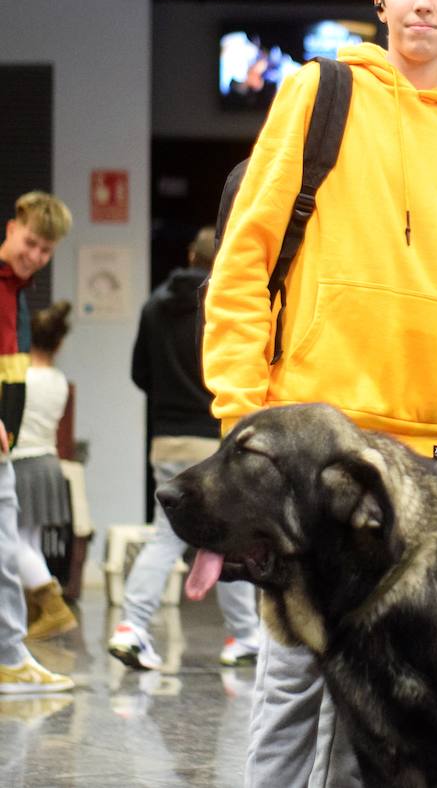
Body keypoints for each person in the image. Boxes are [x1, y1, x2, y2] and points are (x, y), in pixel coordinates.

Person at [202, 0, 437, 787]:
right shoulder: (319, 92)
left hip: (419, 465)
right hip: (310, 449)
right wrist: (242, 419)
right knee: (292, 684)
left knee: (394, 701)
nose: (421, 4)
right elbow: (244, 260)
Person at [108, 227, 261, 671]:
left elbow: (140, 373)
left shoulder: (154, 305)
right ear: (221, 261)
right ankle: (240, 636)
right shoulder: (221, 304)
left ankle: (136, 626)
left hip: (164, 439)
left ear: (188, 253)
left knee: (172, 535)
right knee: (222, 536)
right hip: (211, 439)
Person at [0, 190, 74, 694]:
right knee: (7, 544)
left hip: (7, 447)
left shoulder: (17, 293)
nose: (35, 256)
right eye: (30, 243)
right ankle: (9, 656)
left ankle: (10, 654)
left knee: (8, 543)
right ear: (11, 228)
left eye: (45, 251)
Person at [12, 300, 78, 639]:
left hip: (22, 463)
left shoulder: (21, 377)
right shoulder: (59, 380)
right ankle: (36, 610)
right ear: (59, 343)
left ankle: (54, 607)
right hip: (47, 464)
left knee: (13, 543)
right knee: (30, 542)